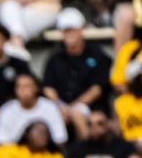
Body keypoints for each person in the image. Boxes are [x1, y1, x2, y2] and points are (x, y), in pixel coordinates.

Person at [43, 9, 112, 140]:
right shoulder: (55, 57)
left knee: (77, 113)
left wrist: (73, 107)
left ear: (82, 30)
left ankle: (85, 150)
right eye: (66, 31)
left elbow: (97, 89)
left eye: (73, 30)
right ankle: (58, 155)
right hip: (61, 105)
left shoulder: (97, 55)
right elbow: (48, 88)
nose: (70, 35)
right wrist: (61, 106)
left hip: (91, 106)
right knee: (51, 115)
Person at [0, 73, 68, 147]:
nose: (22, 90)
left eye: (26, 86)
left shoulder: (50, 107)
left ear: (36, 88)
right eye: (19, 86)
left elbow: (60, 139)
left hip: (44, 154)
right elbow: (0, 141)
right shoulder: (7, 109)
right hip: (14, 154)